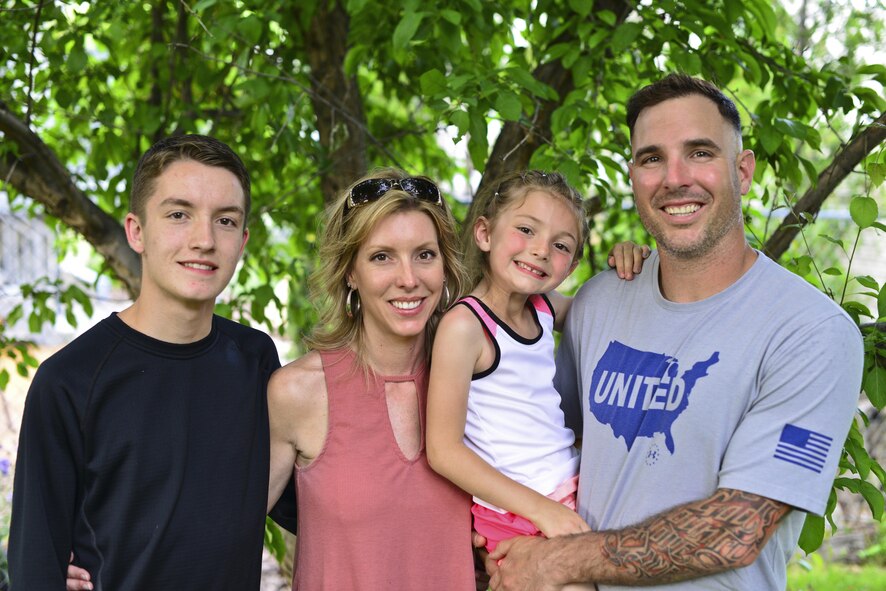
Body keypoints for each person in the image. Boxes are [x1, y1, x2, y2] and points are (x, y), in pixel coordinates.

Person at [484, 73, 864, 590]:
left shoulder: (812, 334)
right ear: (634, 176)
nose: (675, 177)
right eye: (652, 158)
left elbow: (736, 529)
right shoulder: (598, 302)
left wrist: (554, 562)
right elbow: (527, 438)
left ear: (743, 171)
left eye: (701, 152)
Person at [9, 135, 284, 590]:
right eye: (179, 214)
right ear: (136, 231)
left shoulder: (256, 361)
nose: (204, 240)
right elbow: (35, 565)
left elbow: (319, 497)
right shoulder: (69, 381)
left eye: (226, 221)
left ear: (243, 240)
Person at [426, 170, 646, 574]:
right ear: (484, 234)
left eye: (560, 245)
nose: (541, 250)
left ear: (573, 262)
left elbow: (607, 311)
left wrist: (630, 263)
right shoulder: (466, 327)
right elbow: (444, 451)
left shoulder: (544, 307)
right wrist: (543, 511)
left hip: (569, 491)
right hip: (518, 514)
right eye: (526, 229)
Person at [266, 169, 476, 590]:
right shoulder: (299, 392)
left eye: (424, 254)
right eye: (382, 256)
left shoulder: (481, 381)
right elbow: (225, 533)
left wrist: (630, 278)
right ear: (350, 272)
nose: (409, 279)